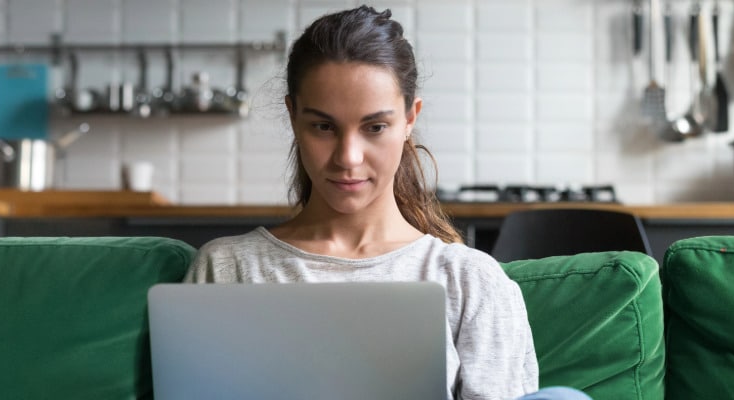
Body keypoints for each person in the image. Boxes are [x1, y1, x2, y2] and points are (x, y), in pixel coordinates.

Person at [184, 5, 590, 400]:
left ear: (410, 119)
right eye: (323, 126)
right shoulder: (227, 268)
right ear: (293, 117)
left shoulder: (470, 280)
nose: (348, 157)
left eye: (375, 127)